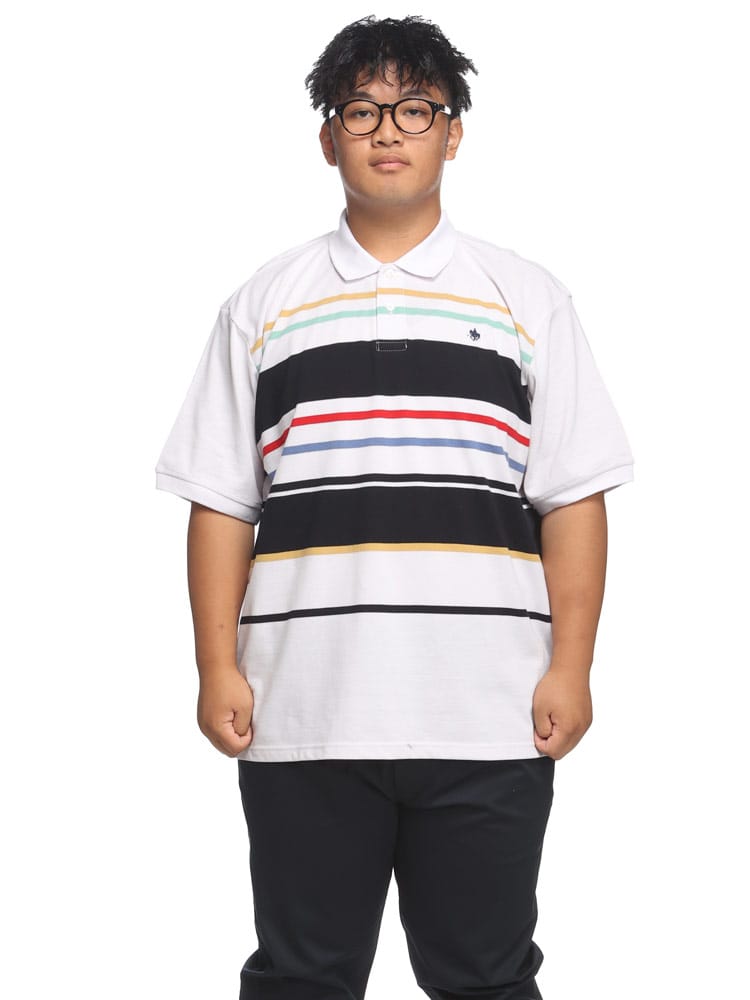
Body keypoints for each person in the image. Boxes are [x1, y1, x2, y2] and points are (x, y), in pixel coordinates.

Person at [155, 14, 634, 1000]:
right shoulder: (263, 304)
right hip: (304, 708)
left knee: (485, 979)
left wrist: (572, 667)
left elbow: (572, 495)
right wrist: (215, 666)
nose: (387, 130)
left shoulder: (528, 297)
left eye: (415, 109)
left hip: (487, 713)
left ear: (453, 133)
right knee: (301, 978)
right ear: (327, 136)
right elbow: (221, 502)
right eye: (362, 110)